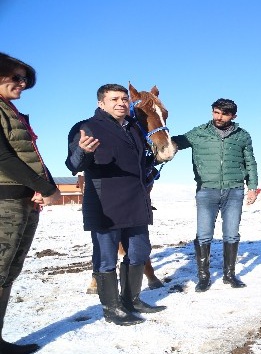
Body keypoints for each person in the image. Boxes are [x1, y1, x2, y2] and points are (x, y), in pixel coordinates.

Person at [66, 84, 165, 327]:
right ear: (102, 103)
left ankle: (132, 299)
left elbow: (139, 162)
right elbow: (73, 165)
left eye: (123, 99)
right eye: (114, 99)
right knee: (107, 258)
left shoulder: (133, 128)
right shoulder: (87, 126)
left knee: (139, 252)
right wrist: (81, 152)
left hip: (135, 200)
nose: (121, 102)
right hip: (105, 202)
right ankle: (112, 308)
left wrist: (156, 159)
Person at [0, 53, 61, 354]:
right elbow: (3, 158)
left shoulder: (11, 110)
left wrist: (41, 186)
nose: (22, 83)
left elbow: (31, 155)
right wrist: (46, 187)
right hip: (3, 204)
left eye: (25, 79)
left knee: (8, 272)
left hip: (22, 201)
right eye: (16, 77)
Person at [171, 98, 257, 292]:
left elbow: (250, 162)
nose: (219, 117)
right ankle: (203, 277)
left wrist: (252, 187)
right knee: (203, 234)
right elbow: (174, 143)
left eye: (224, 114)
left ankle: (229, 275)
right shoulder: (199, 133)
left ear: (233, 116)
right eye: (216, 112)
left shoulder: (242, 136)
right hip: (206, 191)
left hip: (234, 190)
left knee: (231, 233)